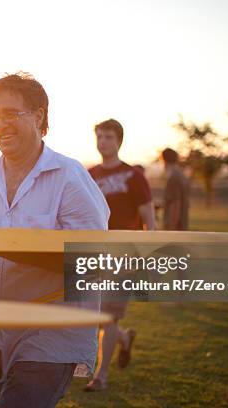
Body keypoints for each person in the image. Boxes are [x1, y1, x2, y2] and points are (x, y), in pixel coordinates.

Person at [0, 73, 109, 408]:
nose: (1, 125)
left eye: (11, 114)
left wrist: (7, 245)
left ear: (39, 116)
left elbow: (91, 260)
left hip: (52, 333)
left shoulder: (70, 178)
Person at [84, 119, 156, 392]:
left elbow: (149, 218)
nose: (103, 142)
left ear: (119, 141)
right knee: (95, 314)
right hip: (94, 256)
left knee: (109, 316)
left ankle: (100, 377)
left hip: (125, 257)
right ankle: (124, 340)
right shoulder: (88, 175)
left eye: (109, 137)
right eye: (99, 136)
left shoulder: (133, 176)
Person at [161, 148, 190, 231]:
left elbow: (175, 205)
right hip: (183, 225)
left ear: (163, 160)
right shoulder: (182, 176)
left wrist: (171, 229)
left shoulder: (173, 178)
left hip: (175, 228)